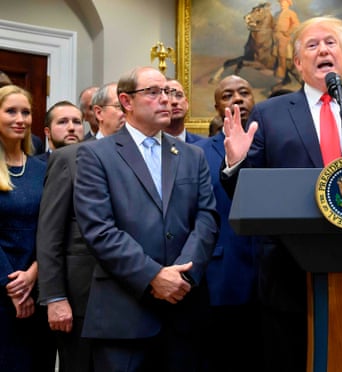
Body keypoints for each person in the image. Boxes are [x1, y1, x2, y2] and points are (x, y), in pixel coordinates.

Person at [221, 16, 342, 370]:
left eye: (330, 43)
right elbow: (248, 193)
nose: (323, 50)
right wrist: (235, 164)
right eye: (312, 45)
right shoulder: (270, 114)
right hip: (291, 273)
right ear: (297, 63)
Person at [73, 66, 220, 372]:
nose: (166, 100)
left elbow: (207, 218)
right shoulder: (96, 156)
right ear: (126, 101)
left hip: (184, 311)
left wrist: (183, 277)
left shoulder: (192, 155)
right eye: (153, 93)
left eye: (168, 92)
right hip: (124, 315)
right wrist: (153, 275)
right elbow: (99, 230)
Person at [37, 83, 126, 372]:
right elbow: (50, 234)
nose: (127, 112)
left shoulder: (141, 158)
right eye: (120, 106)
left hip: (131, 296)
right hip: (81, 299)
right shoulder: (69, 157)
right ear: (99, 113)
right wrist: (54, 296)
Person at [193, 74, 263, 371]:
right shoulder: (199, 153)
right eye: (228, 95)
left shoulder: (271, 145)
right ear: (216, 106)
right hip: (224, 272)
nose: (237, 99)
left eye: (244, 92)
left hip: (272, 271)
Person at [0, 85, 56, 371]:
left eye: (25, 112)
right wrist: (12, 285)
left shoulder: (41, 168)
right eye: (10, 111)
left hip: (39, 286)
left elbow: (52, 226)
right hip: (3, 289)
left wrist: (34, 272)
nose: (20, 119)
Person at [164, 79, 205, 143]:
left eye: (179, 95)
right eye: (167, 97)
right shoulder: (150, 147)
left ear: (186, 103)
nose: (174, 102)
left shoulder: (202, 145)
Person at [273, 0, 299, 82]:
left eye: (283, 2)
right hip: (275, 35)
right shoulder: (277, 14)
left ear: (288, 4)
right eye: (280, 3)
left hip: (283, 36)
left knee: (281, 53)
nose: (281, 4)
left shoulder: (291, 13)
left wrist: (288, 32)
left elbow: (296, 24)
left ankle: (281, 74)